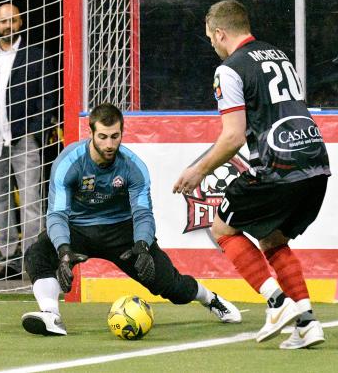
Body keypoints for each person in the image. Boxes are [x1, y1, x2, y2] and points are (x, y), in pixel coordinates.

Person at [173, 0, 331, 349]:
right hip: (317, 162)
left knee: (222, 228)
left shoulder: (229, 69)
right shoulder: (278, 55)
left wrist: (197, 171)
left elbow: (233, 136)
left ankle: (277, 303)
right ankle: (306, 323)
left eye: (210, 38)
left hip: (280, 164)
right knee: (273, 239)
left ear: (220, 33)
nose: (212, 46)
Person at [20, 103, 241, 336]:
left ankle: (210, 299)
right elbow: (57, 214)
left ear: (122, 133)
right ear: (91, 133)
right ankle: (51, 316)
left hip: (122, 233)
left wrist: (143, 246)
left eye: (115, 136)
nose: (109, 144)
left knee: (170, 286)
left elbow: (142, 213)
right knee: (37, 254)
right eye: (103, 137)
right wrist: (64, 250)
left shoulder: (133, 167)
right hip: (78, 230)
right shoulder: (68, 163)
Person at [0, 2, 57, 281]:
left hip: (23, 140)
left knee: (31, 202)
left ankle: (34, 261)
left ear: (21, 23)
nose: (7, 25)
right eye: (3, 21)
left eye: (12, 20)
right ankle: (9, 260)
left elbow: (48, 99)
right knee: (0, 203)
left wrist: (34, 131)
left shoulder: (36, 57)